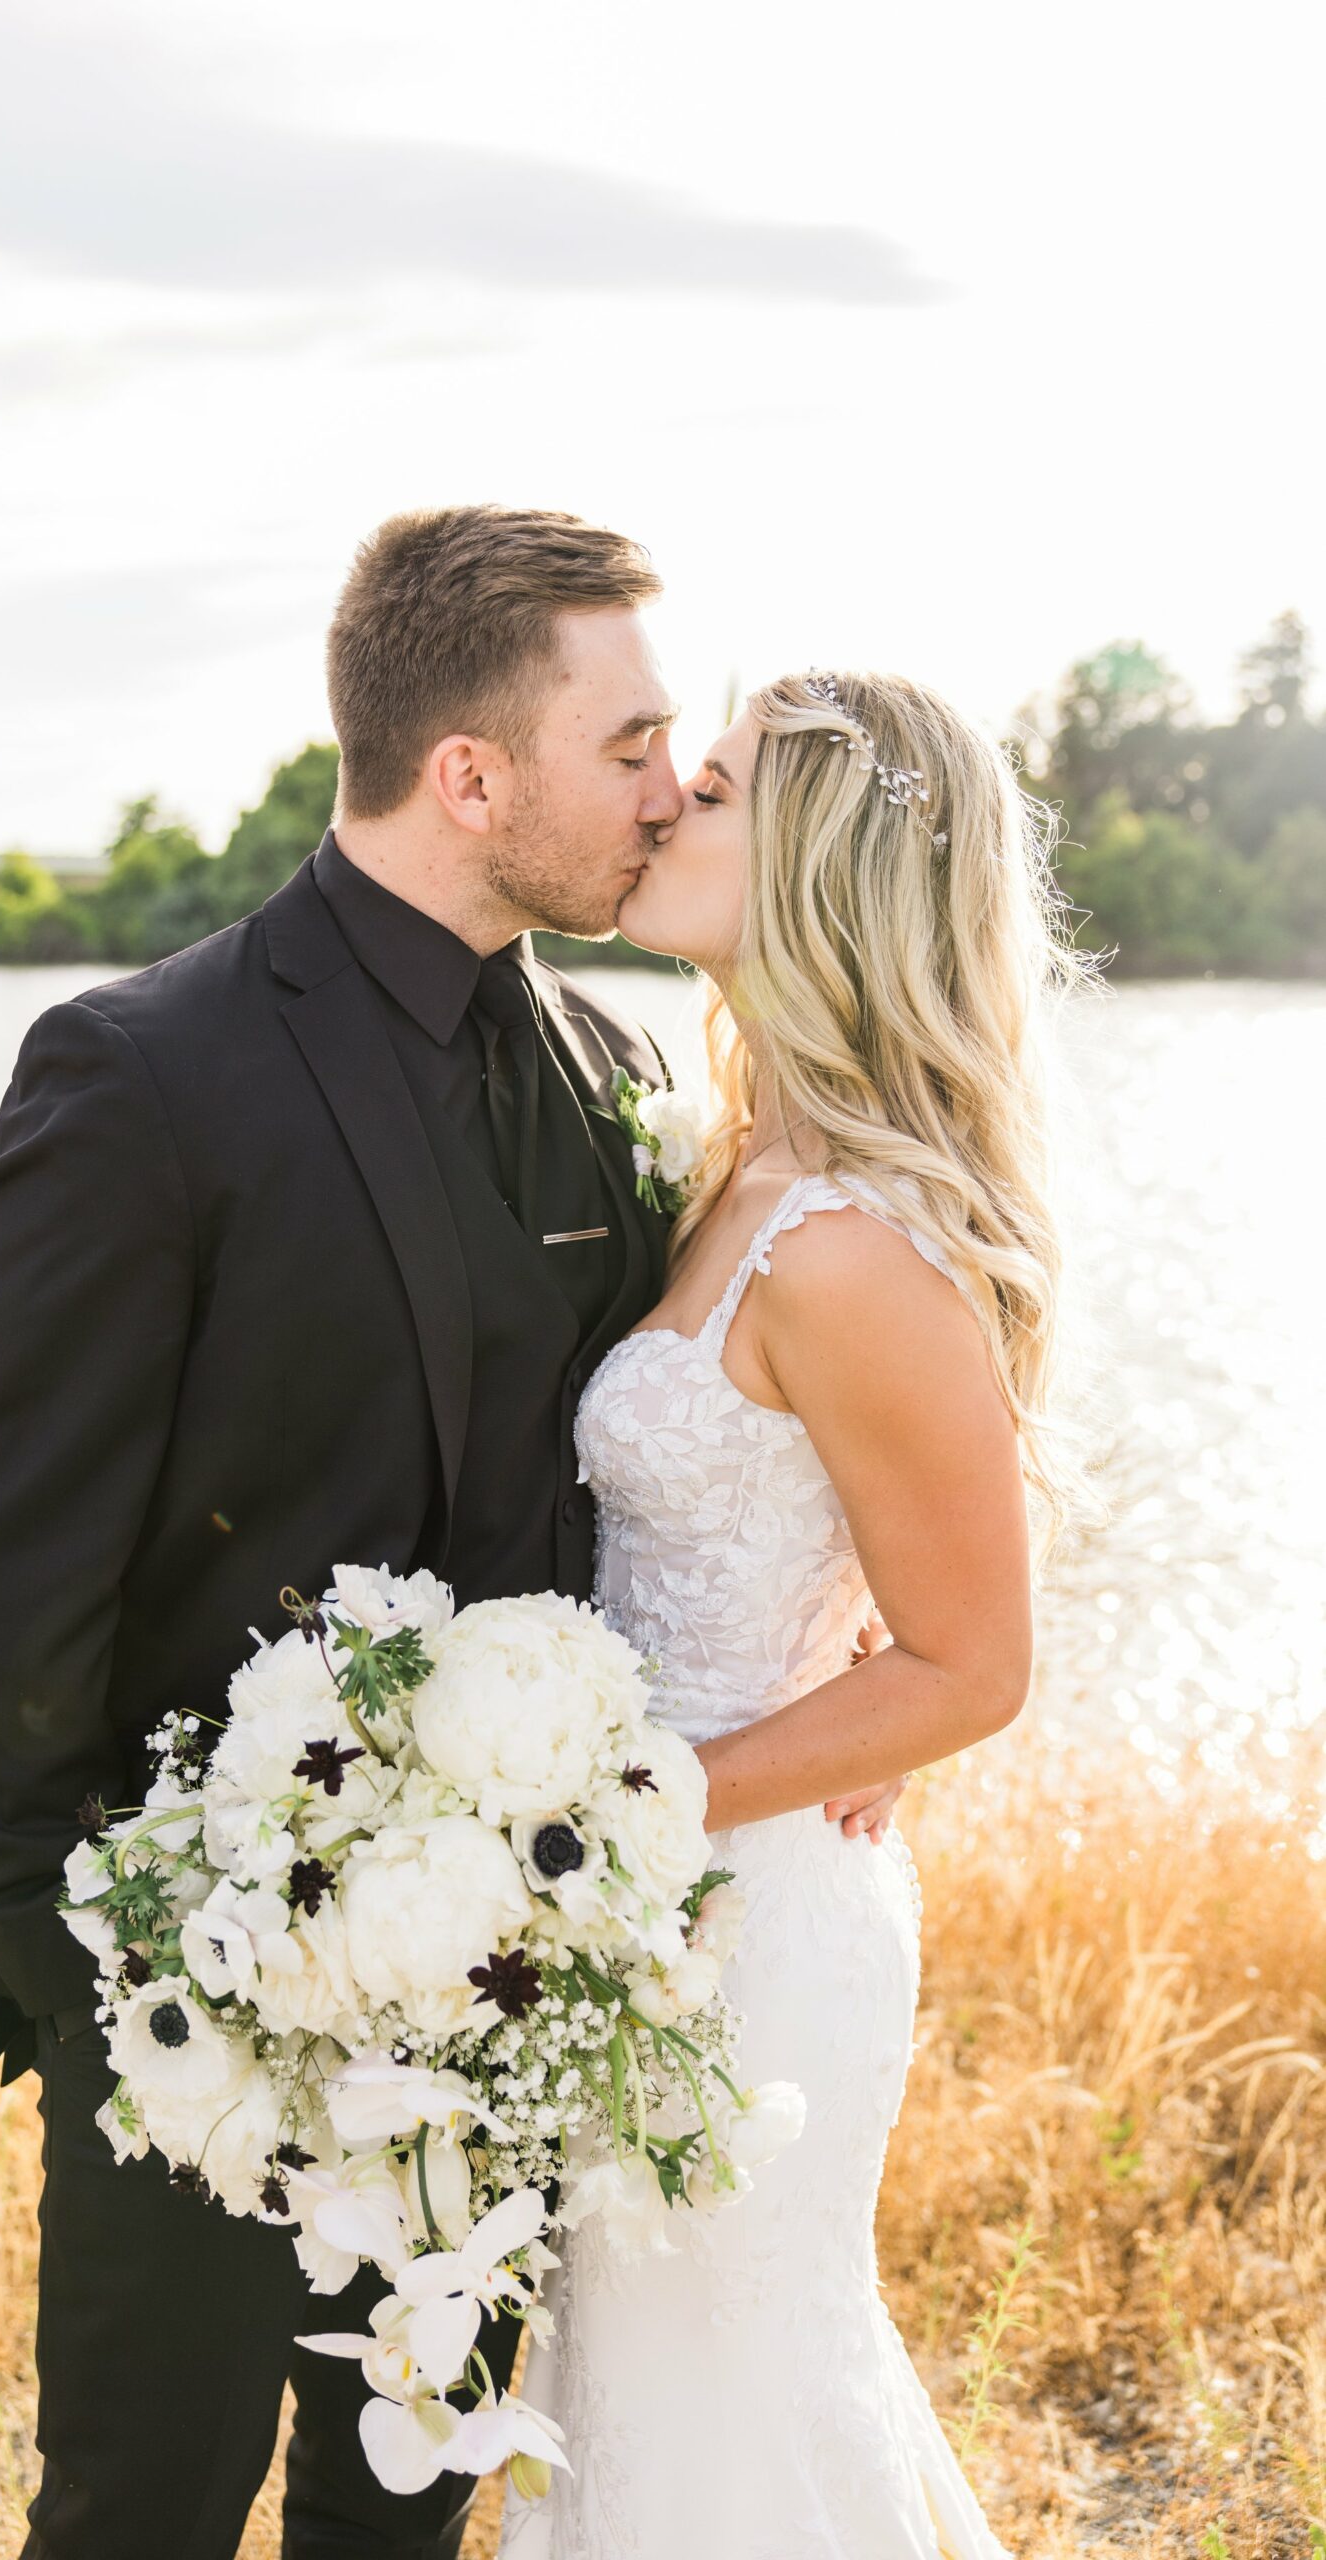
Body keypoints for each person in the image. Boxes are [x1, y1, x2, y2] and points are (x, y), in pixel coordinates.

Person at [0, 507, 905, 2558]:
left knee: (407, 2516)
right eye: (626, 744)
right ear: (470, 775)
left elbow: (710, 1423)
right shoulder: (138, 1074)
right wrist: (126, 2003)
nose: (669, 784)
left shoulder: (623, 1078)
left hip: (509, 2003)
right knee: (134, 2513)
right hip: (191, 1991)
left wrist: (847, 1619)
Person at [503, 670, 1079, 2560]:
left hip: (746, 1920)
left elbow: (975, 1663)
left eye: (719, 786)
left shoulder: (850, 1250)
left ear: (820, 868)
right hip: (658, 1884)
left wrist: (650, 1803)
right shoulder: (733, 1156)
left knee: (732, 2415)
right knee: (638, 2413)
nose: (665, 801)